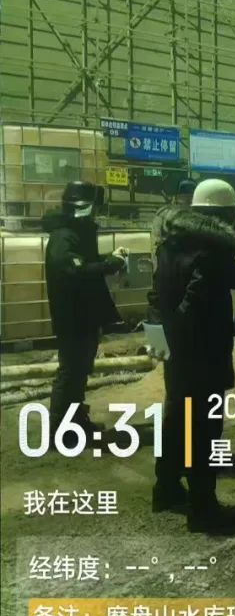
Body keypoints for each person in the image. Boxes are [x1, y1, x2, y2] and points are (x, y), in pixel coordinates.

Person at [150, 179, 235, 532]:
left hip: (174, 350)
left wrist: (162, 339)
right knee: (203, 430)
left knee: (176, 418)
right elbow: (210, 292)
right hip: (202, 353)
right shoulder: (212, 251)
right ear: (222, 215)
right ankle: (202, 508)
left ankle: (166, 488)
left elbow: (155, 294)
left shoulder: (168, 243)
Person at [44, 181, 126, 436]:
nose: (96, 214)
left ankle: (76, 421)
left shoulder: (75, 233)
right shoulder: (64, 236)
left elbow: (85, 264)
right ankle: (60, 429)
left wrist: (110, 259)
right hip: (72, 317)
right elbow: (75, 269)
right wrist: (110, 264)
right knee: (71, 372)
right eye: (94, 208)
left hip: (82, 315)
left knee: (79, 372)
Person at [151, 178, 197, 263]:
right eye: (186, 195)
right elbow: (157, 244)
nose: (188, 198)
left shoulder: (163, 213)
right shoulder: (164, 215)